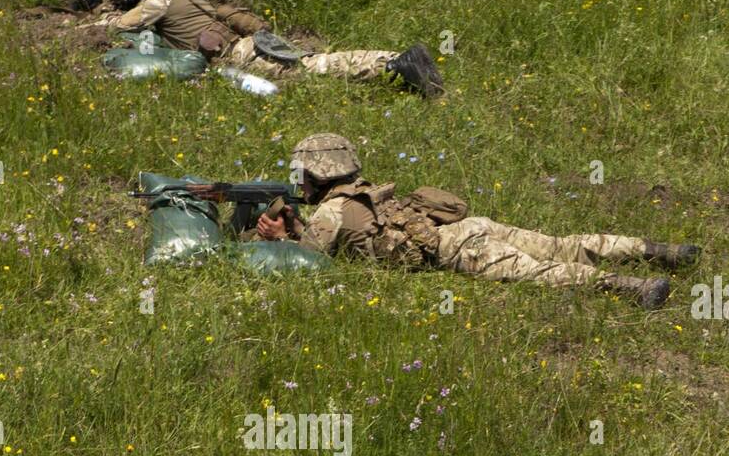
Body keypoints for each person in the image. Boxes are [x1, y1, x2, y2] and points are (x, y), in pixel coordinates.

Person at [254, 134, 700, 308]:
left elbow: (309, 268)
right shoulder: (366, 191)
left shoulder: (330, 212)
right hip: (471, 228)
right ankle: (658, 251)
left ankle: (632, 287)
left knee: (544, 273)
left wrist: (279, 241)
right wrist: (296, 228)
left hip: (459, 249)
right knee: (562, 243)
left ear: (316, 175)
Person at [90, 0, 445, 96]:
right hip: (247, 46)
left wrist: (98, 9)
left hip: (240, 56)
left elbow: (118, 26)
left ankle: (395, 64)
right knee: (311, 66)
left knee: (314, 68)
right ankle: (396, 64)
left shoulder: (160, 1)